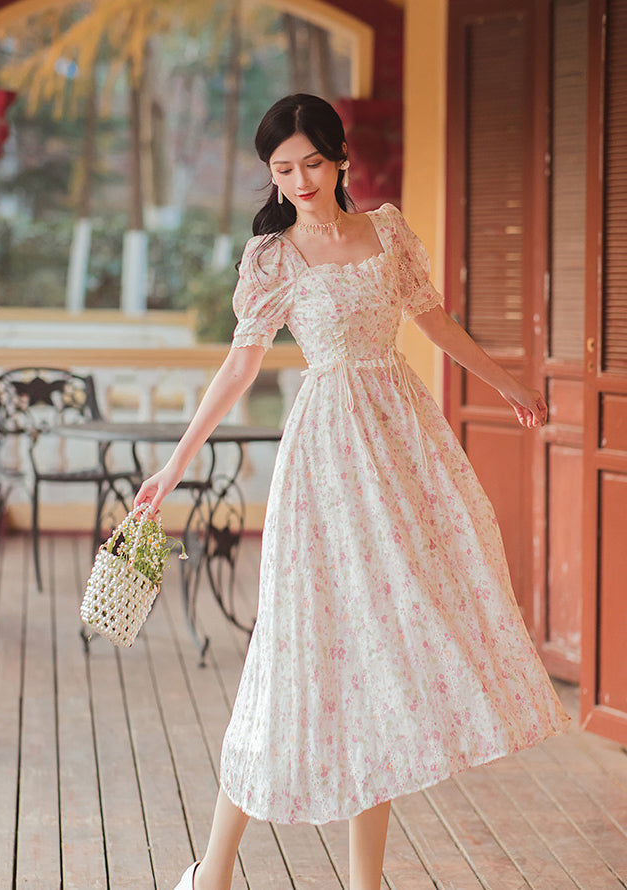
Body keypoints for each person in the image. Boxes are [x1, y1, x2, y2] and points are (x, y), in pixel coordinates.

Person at [133, 93, 572, 890]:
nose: (297, 181)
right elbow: (240, 366)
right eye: (280, 170)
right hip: (326, 463)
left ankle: (363, 884)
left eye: (308, 163)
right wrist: (173, 465)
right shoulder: (272, 258)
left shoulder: (389, 231)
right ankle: (215, 871)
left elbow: (435, 324)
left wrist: (508, 385)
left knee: (385, 669)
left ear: (340, 158)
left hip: (403, 453)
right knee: (292, 659)